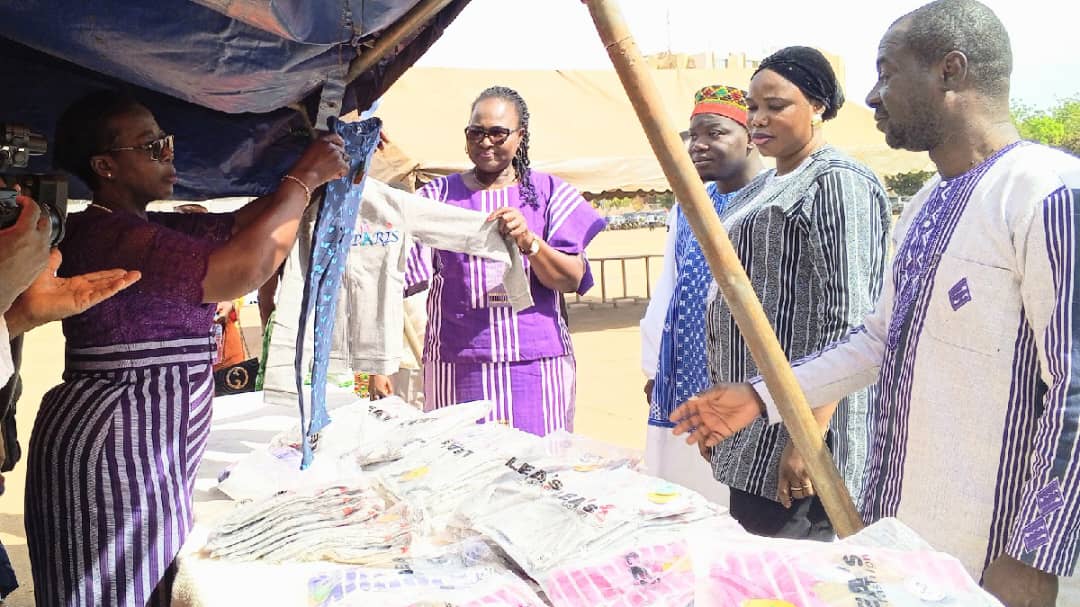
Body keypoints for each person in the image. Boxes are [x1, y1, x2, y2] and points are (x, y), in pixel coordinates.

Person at [670, 2, 1080, 604]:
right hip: (908, 543)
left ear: (950, 71)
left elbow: (1075, 388)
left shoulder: (1046, 194)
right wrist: (761, 397)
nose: (871, 95)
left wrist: (1035, 559)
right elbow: (877, 344)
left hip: (995, 559)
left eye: (887, 73)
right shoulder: (925, 205)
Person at [25, 90, 348, 605]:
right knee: (111, 590)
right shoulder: (111, 236)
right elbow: (243, 269)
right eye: (151, 146)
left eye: (166, 142)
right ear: (105, 166)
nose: (168, 154)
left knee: (142, 584)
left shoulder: (145, 227)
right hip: (113, 450)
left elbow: (243, 225)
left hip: (140, 447)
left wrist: (308, 183)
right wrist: (304, 178)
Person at [700, 47, 890, 540]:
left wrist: (808, 439)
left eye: (776, 105)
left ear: (818, 106)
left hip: (802, 443)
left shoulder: (837, 181)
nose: (758, 119)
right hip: (753, 434)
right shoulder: (769, 183)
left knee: (802, 570)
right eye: (752, 107)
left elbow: (851, 321)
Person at [377, 85, 605, 435]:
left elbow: (570, 279)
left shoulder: (550, 194)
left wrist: (529, 241)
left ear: (520, 136)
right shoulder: (435, 198)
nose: (486, 142)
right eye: (476, 133)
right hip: (457, 365)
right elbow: (396, 277)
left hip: (535, 366)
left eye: (498, 133)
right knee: (459, 460)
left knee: (538, 462)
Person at [639, 85, 762, 505]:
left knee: (736, 507)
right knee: (681, 501)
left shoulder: (771, 200)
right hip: (680, 382)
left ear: (751, 136)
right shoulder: (688, 204)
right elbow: (668, 289)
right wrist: (655, 368)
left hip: (741, 388)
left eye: (715, 132)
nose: (699, 145)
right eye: (694, 135)